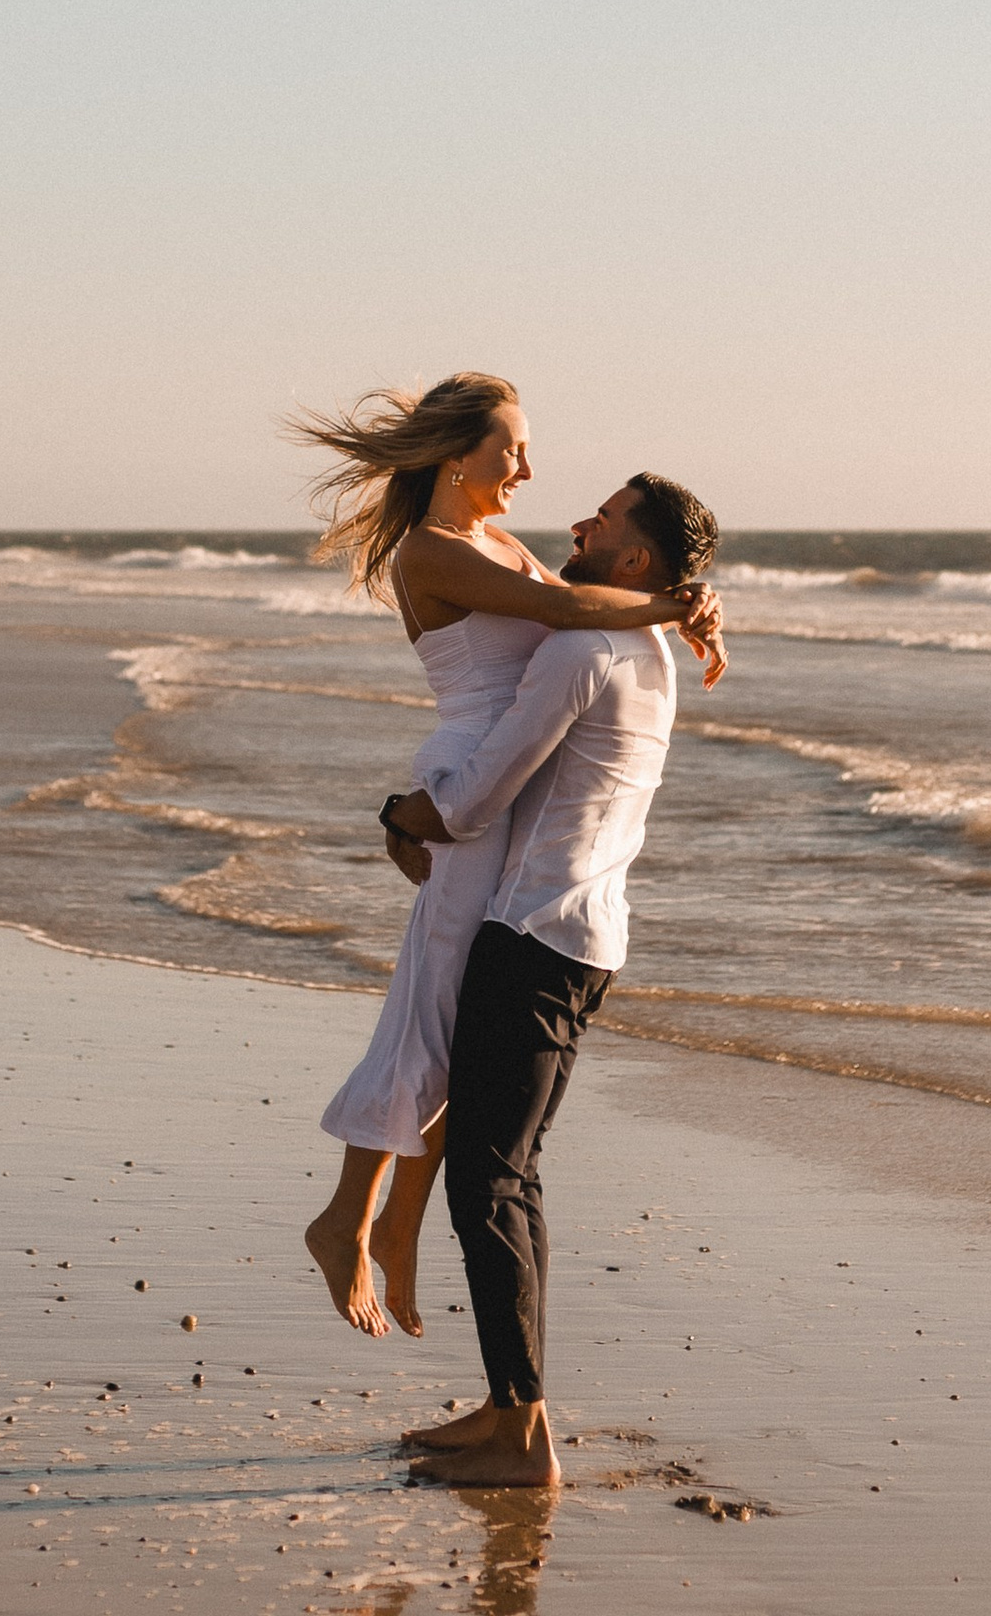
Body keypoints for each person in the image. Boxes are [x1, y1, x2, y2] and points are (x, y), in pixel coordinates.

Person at [289, 378, 724, 1339]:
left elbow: (576, 602)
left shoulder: (503, 544)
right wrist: (668, 598)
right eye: (511, 450)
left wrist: (679, 605)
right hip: (468, 793)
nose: (526, 469)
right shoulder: (433, 549)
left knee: (463, 1037)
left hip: (498, 795)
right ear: (457, 454)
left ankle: (395, 1223)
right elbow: (565, 615)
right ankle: (350, 1219)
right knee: (430, 1018)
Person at [381, 467, 720, 1490]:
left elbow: (481, 794)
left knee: (487, 1180)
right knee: (508, 1175)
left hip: (531, 934)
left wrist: (400, 811)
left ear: (634, 560)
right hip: (587, 937)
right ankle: (505, 1404)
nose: (578, 521)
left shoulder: (583, 647)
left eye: (604, 520)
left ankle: (522, 1434)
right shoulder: (651, 647)